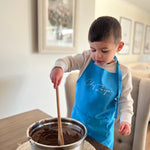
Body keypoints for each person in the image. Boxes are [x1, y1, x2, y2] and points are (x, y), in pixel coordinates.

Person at [50, 16, 133, 149]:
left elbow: (125, 100)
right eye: (93, 49)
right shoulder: (86, 58)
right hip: (77, 126)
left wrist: (126, 120)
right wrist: (59, 67)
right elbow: (68, 61)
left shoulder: (124, 73)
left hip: (102, 133)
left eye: (104, 50)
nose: (97, 55)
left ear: (119, 46)